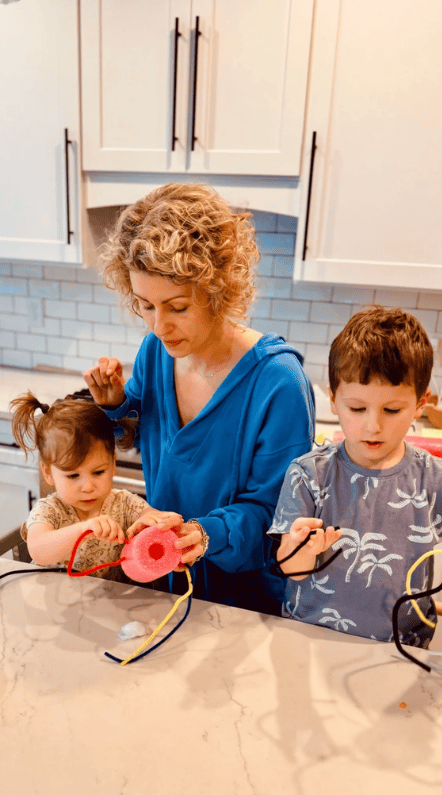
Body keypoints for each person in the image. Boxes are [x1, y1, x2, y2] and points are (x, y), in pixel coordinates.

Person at [84, 183, 315, 614]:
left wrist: (204, 534)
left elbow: (277, 515)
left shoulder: (278, 383)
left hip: (243, 604)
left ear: (218, 290)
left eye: (176, 306)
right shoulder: (156, 352)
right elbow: (145, 437)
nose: (158, 325)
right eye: (145, 305)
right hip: (162, 580)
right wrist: (116, 405)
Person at [269, 306, 442, 647]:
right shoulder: (308, 474)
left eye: (392, 410)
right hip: (307, 641)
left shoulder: (440, 481)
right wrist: (300, 549)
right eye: (357, 408)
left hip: (401, 653)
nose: (373, 425)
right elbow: (292, 569)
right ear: (333, 400)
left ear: (421, 403)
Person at [10, 392, 184, 579]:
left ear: (113, 464)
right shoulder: (50, 510)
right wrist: (84, 529)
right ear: (48, 473)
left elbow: (149, 517)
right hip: (53, 601)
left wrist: (160, 523)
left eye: (98, 472)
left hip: (106, 600)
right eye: (73, 475)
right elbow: (38, 550)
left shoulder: (124, 503)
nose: (88, 487)